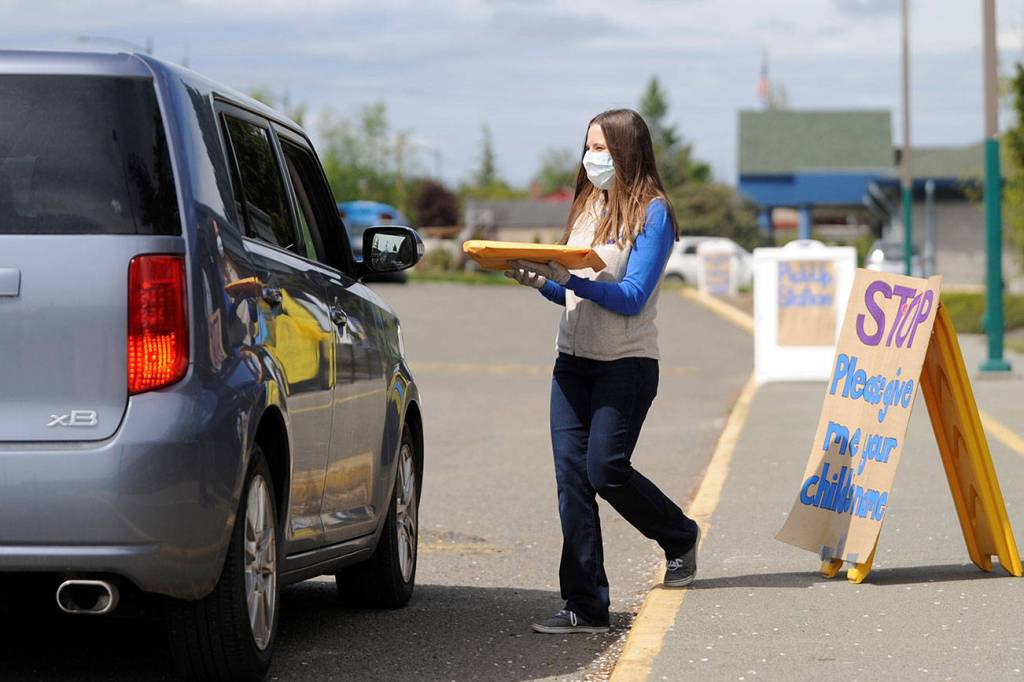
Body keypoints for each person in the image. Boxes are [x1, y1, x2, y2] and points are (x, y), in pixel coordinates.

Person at [505, 109, 701, 635]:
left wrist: (572, 281)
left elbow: (632, 297)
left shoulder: (653, 213)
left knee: (605, 470)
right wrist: (541, 281)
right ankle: (586, 605)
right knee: (571, 480)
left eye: (602, 149)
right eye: (588, 147)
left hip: (626, 365)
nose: (591, 158)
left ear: (628, 152)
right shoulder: (588, 205)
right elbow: (571, 294)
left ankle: (680, 536)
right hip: (571, 363)